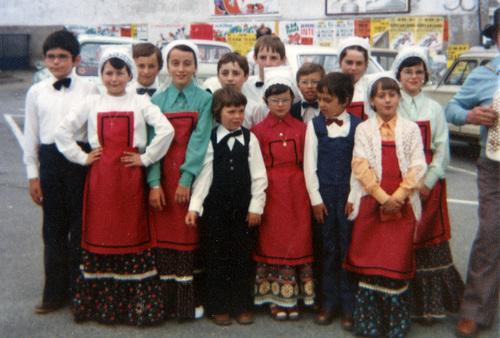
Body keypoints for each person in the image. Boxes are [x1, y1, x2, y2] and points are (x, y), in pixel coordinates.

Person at [55, 47, 174, 324]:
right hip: (101, 180)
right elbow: (62, 131)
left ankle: (135, 308)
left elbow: (166, 129)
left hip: (130, 180)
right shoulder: (91, 102)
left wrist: (145, 158)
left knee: (132, 232)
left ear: (129, 74)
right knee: (100, 233)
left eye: (120, 73)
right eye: (109, 72)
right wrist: (82, 157)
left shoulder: (140, 102)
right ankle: (100, 307)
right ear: (101, 74)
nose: (114, 78)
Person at [344, 74, 427, 337]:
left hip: (401, 204)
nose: (387, 100)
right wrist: (382, 198)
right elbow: (360, 165)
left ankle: (395, 325)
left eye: (392, 94)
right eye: (381, 95)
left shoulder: (411, 129)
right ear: (372, 101)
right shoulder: (364, 129)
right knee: (370, 262)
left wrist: (399, 197)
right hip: (372, 201)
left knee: (396, 260)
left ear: (399, 97)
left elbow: (417, 165)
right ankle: (369, 324)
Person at [23, 29, 97, 314]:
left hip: (80, 161)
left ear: (76, 59)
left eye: (62, 57)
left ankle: (79, 292)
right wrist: (33, 175)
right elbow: (31, 136)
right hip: (51, 162)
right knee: (53, 229)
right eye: (51, 57)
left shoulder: (90, 88)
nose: (56, 62)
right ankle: (53, 294)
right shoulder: (36, 92)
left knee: (80, 227)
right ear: (44, 59)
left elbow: (95, 127)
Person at [392, 47, 464, 324]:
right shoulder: (391, 102)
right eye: (408, 72)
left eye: (418, 72)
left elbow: (442, 149)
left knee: (428, 240)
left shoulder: (434, 108)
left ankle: (431, 306)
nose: (413, 76)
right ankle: (402, 304)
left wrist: (428, 180)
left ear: (425, 75)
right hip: (398, 184)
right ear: (398, 75)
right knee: (399, 241)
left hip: (427, 188)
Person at [185, 87, 267, 326]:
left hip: (243, 210)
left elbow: (259, 177)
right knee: (216, 257)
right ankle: (219, 306)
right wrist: (194, 207)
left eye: (241, 111)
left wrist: (256, 207)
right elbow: (204, 177)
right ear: (218, 113)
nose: (237, 116)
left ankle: (241, 305)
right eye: (231, 111)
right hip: (215, 210)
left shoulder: (251, 139)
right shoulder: (211, 139)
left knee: (242, 257)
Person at [148, 40, 213, 320]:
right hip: (162, 177)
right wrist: (154, 183)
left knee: (188, 235)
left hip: (191, 176)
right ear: (167, 66)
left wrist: (186, 179)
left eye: (187, 63)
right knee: (164, 239)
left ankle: (188, 303)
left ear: (196, 66)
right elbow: (152, 145)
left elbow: (199, 142)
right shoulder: (156, 101)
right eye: (175, 63)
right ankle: (166, 304)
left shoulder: (204, 99)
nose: (181, 68)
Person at [446, 8, 500, 337]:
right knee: (491, 234)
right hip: (495, 165)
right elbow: (451, 108)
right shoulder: (485, 74)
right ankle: (475, 309)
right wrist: (470, 116)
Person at [252, 70, 315, 321]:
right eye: (275, 100)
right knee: (273, 242)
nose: (280, 104)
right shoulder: (257, 131)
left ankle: (295, 298)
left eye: (285, 100)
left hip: (297, 193)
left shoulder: (303, 128)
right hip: (271, 193)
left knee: (298, 241)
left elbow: (309, 164)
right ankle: (275, 299)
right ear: (266, 101)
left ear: (292, 100)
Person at [303, 72, 362, 329]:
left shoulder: (359, 126)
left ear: (346, 100)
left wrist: (353, 197)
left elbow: (361, 166)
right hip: (324, 198)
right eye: (320, 99)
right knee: (327, 249)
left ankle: (349, 306)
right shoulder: (314, 126)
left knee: (348, 249)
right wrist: (315, 199)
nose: (322, 105)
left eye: (328, 100)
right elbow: (309, 165)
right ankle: (328, 303)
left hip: (348, 197)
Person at [242, 35, 286, 107]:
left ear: (283, 60)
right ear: (255, 58)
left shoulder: (291, 86)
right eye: (263, 57)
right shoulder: (245, 86)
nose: (267, 63)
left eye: (273, 58)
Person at [337, 36, 371, 119]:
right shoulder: (328, 86)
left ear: (366, 65)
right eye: (349, 62)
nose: (353, 68)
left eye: (359, 63)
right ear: (340, 62)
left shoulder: (372, 89)